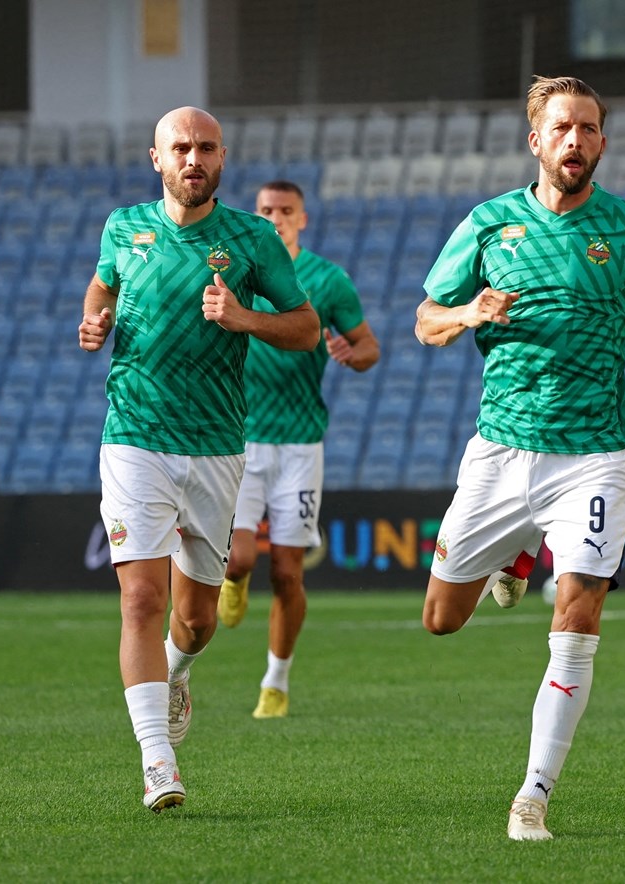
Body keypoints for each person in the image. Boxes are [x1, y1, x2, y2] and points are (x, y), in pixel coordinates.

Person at [413, 75, 625, 841]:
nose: (575, 141)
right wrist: (466, 310)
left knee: (579, 610)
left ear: (602, 142)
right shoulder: (489, 225)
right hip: (500, 451)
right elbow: (424, 321)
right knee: (440, 620)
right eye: (562, 129)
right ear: (537, 141)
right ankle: (514, 555)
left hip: (593, 453)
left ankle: (534, 793)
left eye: (588, 129)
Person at [78, 106, 320, 813]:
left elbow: (306, 329)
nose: (193, 158)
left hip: (215, 445)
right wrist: (93, 317)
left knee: (197, 620)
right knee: (140, 600)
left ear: (222, 157)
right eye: (179, 147)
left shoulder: (251, 238)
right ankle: (159, 762)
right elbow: (102, 286)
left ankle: (178, 672)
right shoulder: (123, 227)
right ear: (156, 158)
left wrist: (245, 318)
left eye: (205, 147)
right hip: (134, 437)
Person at [216, 180, 381, 719]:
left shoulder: (328, 280)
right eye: (267, 210)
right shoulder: (240, 271)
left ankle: (276, 681)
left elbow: (369, 346)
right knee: (240, 555)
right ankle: (235, 580)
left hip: (301, 442)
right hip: (241, 437)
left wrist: (350, 354)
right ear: (257, 215)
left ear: (303, 219)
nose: (277, 217)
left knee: (288, 571)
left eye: (287, 210)